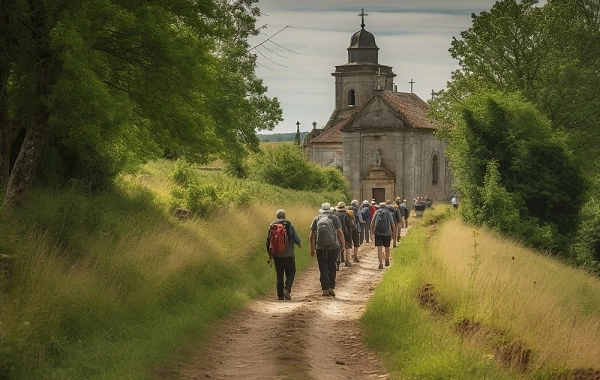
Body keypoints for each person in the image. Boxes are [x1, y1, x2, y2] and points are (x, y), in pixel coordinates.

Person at [310, 203, 346, 297]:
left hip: (320, 247)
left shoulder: (316, 218)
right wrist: (343, 245)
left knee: (323, 268)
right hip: (333, 247)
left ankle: (325, 289)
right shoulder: (334, 218)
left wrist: (312, 249)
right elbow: (340, 232)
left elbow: (312, 235)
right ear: (330, 210)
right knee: (332, 267)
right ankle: (331, 287)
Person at [266, 209, 302, 300]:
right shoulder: (289, 226)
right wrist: (299, 244)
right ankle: (287, 288)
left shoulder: (272, 226)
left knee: (279, 274)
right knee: (291, 271)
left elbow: (268, 242)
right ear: (284, 216)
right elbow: (296, 239)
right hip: (288, 254)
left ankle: (280, 295)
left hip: (276, 254)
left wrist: (270, 254)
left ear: (277, 216)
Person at [370, 202, 396, 270]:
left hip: (378, 232)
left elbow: (372, 222)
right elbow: (392, 224)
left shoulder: (377, 212)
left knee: (379, 249)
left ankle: (380, 264)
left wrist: (371, 232)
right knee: (387, 247)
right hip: (387, 232)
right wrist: (394, 234)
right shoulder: (388, 212)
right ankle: (387, 260)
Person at [334, 201, 353, 267]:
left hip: (337, 232)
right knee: (348, 246)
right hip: (346, 232)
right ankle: (347, 261)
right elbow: (350, 224)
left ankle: (337, 260)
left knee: (338, 245)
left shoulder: (335, 214)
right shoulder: (347, 213)